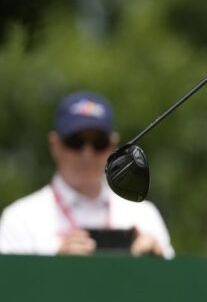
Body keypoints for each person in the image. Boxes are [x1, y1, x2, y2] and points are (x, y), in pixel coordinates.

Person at [0, 91, 175, 258]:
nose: (87, 154)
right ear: (55, 145)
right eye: (75, 141)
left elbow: (175, 279)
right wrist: (55, 267)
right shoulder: (20, 219)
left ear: (113, 146)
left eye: (99, 143)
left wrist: (155, 263)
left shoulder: (144, 216)